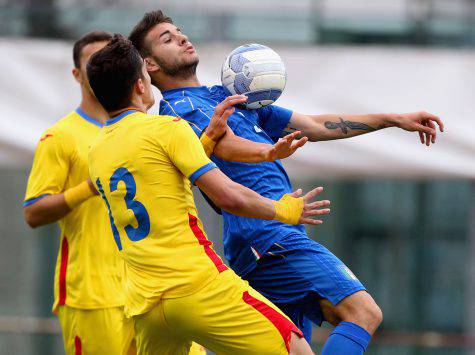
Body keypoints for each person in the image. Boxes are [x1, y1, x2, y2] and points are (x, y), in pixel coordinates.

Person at [128, 10, 445, 354]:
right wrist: (267, 152)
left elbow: (312, 125)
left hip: (275, 236)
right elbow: (223, 145)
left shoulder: (228, 95)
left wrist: (393, 118)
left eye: (180, 32)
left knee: (295, 349)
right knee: (363, 311)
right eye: (167, 38)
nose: (182, 38)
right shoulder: (178, 110)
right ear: (151, 65)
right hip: (265, 237)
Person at [87, 34, 333, 355]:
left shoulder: (95, 151)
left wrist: (206, 142)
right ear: (139, 86)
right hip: (197, 287)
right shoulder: (168, 128)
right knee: (297, 349)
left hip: (145, 304)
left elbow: (160, 183)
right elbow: (227, 196)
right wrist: (283, 211)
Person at [23, 31, 135, 354]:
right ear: (76, 74)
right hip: (92, 295)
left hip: (148, 290)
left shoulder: (141, 130)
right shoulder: (60, 137)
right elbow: (33, 212)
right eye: (94, 61)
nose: (104, 66)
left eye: (111, 59)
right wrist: (87, 188)